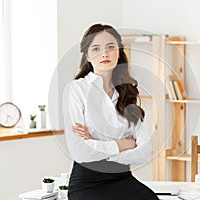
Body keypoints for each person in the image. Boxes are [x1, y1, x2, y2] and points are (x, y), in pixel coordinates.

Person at [62, 23, 159, 200]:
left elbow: (144, 152)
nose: (104, 53)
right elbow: (80, 151)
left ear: (119, 52)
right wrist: (122, 144)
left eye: (110, 47)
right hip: (88, 183)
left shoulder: (129, 93)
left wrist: (97, 145)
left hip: (122, 178)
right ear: (87, 56)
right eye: (96, 48)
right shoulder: (76, 89)